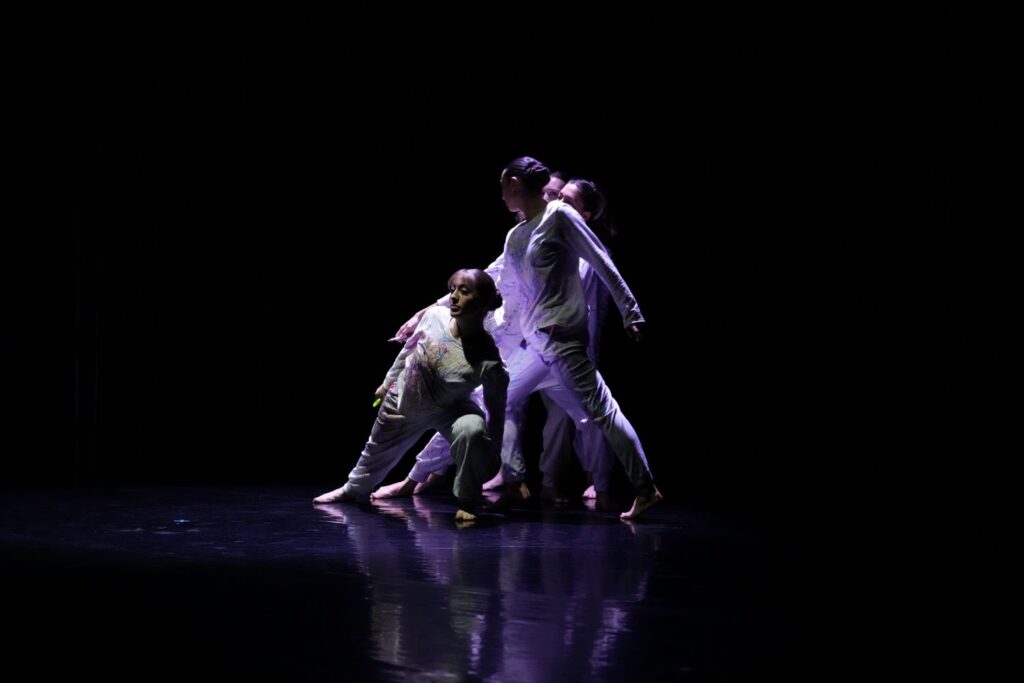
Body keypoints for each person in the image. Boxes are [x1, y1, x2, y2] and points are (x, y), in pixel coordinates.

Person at [382, 157, 661, 521]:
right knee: (480, 404)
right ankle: (415, 477)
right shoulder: (515, 235)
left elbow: (601, 259)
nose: (500, 195)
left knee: (602, 414)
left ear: (514, 183)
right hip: (535, 346)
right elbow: (491, 279)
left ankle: (644, 488)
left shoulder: (559, 216)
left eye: (502, 186)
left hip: (563, 341)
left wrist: (631, 311)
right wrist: (428, 311)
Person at [312, 269, 508, 521]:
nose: (454, 297)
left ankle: (468, 500)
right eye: (452, 290)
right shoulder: (435, 316)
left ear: (482, 301)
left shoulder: (488, 359)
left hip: (450, 408)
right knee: (374, 452)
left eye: (464, 291)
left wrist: (493, 449)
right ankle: (353, 490)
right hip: (406, 400)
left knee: (471, 428)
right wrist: (387, 384)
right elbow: (408, 349)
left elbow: (498, 408)